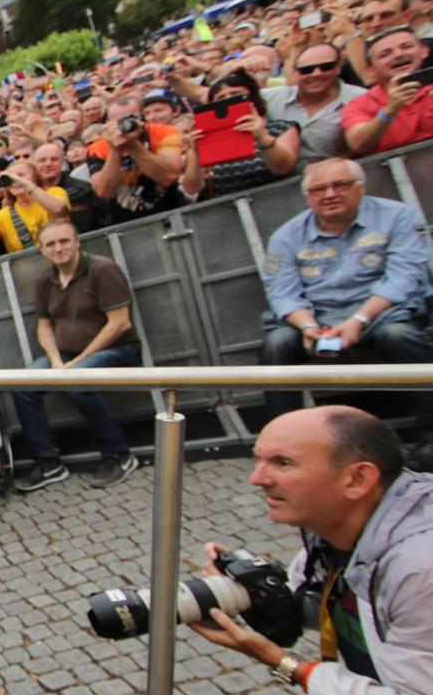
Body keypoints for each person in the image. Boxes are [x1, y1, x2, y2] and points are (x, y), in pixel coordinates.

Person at [188, 406, 433, 695]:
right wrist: (252, 590)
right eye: (259, 459)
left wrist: (286, 666)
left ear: (358, 478)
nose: (257, 478)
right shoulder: (335, 526)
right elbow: (318, 602)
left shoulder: (419, 567)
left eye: (282, 463)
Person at [258, 158, 433, 426]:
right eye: (319, 189)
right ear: (308, 197)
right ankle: (284, 440)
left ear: (360, 187)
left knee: (400, 336)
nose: (330, 194)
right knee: (276, 344)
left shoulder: (399, 216)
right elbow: (281, 290)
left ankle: (430, 435)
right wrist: (307, 327)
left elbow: (405, 277)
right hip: (317, 317)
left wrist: (358, 321)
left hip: (383, 313)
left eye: (340, 185)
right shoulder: (285, 236)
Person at [12, 220, 142, 492]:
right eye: (51, 244)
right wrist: (57, 361)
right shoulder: (44, 280)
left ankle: (119, 455)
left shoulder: (102, 269)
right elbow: (44, 327)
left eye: (64, 241)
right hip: (66, 354)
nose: (58, 248)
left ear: (77, 242)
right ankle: (48, 463)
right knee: (22, 386)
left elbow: (120, 323)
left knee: (76, 382)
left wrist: (75, 363)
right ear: (42, 249)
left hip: (116, 349)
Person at [181, 72, 300, 200]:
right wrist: (197, 153)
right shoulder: (206, 139)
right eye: (221, 98)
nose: (228, 100)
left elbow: (283, 168)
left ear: (253, 98)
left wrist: (263, 137)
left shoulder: (282, 128)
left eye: (236, 94)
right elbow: (192, 188)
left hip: (280, 202)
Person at [265, 42, 369, 165]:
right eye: (306, 70)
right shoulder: (270, 98)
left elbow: (369, 142)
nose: (316, 74)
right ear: (294, 73)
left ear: (338, 67)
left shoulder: (361, 98)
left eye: (326, 67)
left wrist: (328, 166)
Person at [88, 95, 186, 221]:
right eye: (118, 122)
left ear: (143, 116)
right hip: (128, 223)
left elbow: (168, 177)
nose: (124, 125)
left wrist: (132, 145)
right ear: (108, 123)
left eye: (130, 118)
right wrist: (115, 149)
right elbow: (104, 191)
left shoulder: (164, 132)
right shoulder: (97, 148)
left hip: (172, 214)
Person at [343, 28, 433, 155]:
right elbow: (358, 144)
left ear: (424, 51)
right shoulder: (359, 104)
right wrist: (389, 111)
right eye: (385, 54)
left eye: (406, 47)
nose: (398, 55)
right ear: (371, 69)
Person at [0, 161, 69, 256]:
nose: (15, 180)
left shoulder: (54, 193)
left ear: (35, 178)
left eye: (20, 175)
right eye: (11, 178)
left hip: (62, 254)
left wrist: (25, 184)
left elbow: (59, 209)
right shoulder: (4, 214)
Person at [32, 141, 102, 234]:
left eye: (54, 159)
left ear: (63, 162)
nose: (48, 164)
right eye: (42, 160)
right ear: (34, 164)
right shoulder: (29, 194)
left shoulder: (83, 189)